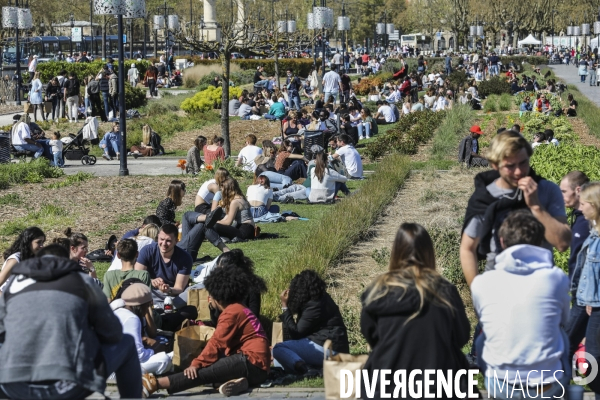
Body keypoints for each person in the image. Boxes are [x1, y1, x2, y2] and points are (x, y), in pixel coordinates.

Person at [0, 244, 143, 399]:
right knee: (127, 342)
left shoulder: (14, 284)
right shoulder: (82, 281)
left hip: (11, 385)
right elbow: (112, 333)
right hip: (63, 388)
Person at [361, 223, 471, 398]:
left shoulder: (377, 292)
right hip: (437, 385)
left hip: (386, 386)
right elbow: (461, 336)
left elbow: (371, 335)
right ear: (428, 252)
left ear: (396, 252)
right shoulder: (444, 291)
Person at [471, 210, 570, 399]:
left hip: (502, 384)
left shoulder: (483, 283)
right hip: (546, 385)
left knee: (482, 340)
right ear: (541, 241)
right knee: (563, 337)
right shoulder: (556, 278)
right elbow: (564, 319)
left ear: (502, 242)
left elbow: (485, 321)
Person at [459, 130, 570, 285]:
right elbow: (467, 249)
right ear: (495, 165)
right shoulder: (484, 197)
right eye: (510, 166)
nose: (519, 172)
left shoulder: (547, 190)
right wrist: (478, 292)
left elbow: (562, 243)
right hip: (498, 287)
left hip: (541, 287)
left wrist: (536, 206)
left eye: (523, 163)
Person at [141, 266, 270, 398]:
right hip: (257, 368)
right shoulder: (237, 308)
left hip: (251, 362)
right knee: (212, 369)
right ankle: (234, 381)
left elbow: (217, 343)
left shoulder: (231, 313)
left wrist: (197, 364)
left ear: (217, 296)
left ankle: (154, 383)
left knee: (202, 372)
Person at [273, 270, 349, 374]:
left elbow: (296, 333)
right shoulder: (320, 299)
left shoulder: (314, 305)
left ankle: (305, 369)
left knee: (278, 348)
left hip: (330, 348)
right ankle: (307, 367)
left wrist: (285, 307)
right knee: (279, 359)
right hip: (330, 346)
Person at [567, 182, 600, 398]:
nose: (580, 207)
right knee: (564, 346)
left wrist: (594, 299)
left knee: (592, 358)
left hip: (594, 304)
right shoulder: (593, 232)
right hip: (582, 299)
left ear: (595, 205)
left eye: (584, 203)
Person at [134, 224, 198, 328]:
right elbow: (136, 278)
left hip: (173, 296)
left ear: (176, 241)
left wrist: (168, 290)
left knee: (196, 289)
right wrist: (151, 281)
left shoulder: (185, 258)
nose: (164, 244)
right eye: (161, 239)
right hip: (150, 293)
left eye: (168, 241)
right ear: (157, 237)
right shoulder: (147, 250)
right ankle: (166, 315)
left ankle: (157, 312)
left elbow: (179, 288)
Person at [112, 283, 173, 375]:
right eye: (148, 304)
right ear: (142, 305)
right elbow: (139, 355)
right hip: (117, 370)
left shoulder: (119, 311)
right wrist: (156, 350)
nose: (149, 307)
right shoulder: (131, 318)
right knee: (164, 360)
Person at [560, 171, 590, 282]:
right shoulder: (577, 216)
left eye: (564, 191)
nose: (560, 196)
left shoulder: (590, 221)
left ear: (578, 190)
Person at [0, 226, 45, 291]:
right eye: (38, 242)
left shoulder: (34, 259)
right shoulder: (15, 260)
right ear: (28, 242)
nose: (42, 246)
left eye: (43, 242)